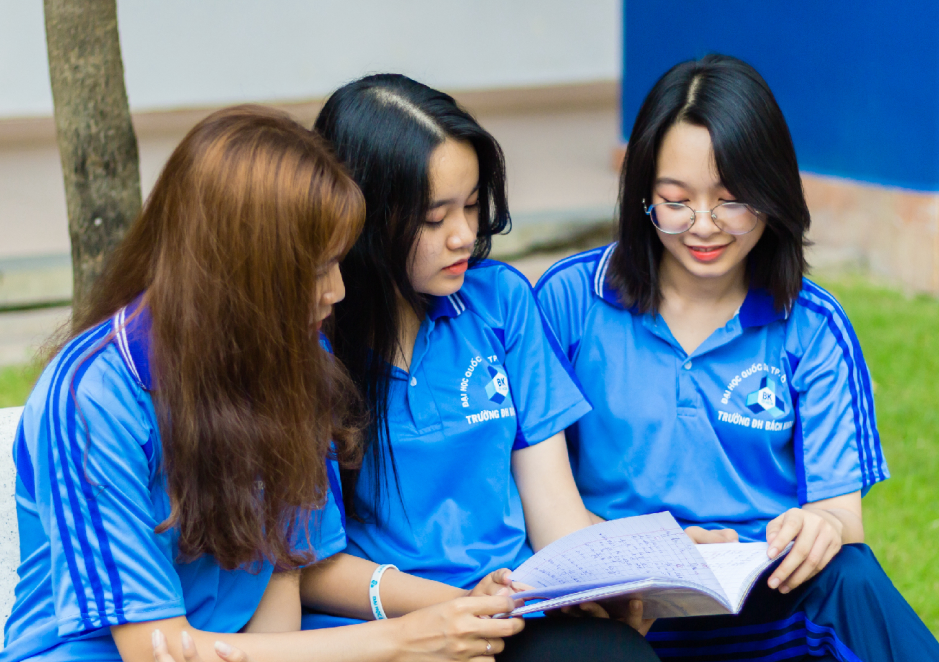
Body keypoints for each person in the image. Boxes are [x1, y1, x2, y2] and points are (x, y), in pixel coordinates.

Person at [0, 106, 524, 662]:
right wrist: (405, 639)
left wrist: (457, 611)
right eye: (316, 270)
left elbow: (282, 579)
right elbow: (156, 651)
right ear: (238, 272)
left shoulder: (297, 356)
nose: (338, 291)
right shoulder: (92, 398)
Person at [535, 54, 939, 660]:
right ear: (643, 195)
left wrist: (821, 527)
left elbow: (839, 517)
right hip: (620, 606)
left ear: (772, 193)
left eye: (731, 200)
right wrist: (655, 555)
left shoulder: (814, 325)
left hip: (765, 602)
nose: (704, 226)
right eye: (675, 200)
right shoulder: (569, 301)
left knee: (850, 574)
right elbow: (531, 494)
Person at [304, 74, 659, 662]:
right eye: (434, 218)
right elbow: (308, 567)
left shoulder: (502, 302)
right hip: (382, 626)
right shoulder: (312, 343)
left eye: (471, 206)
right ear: (360, 218)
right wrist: (453, 607)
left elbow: (556, 515)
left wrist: (644, 565)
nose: (464, 236)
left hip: (512, 608)